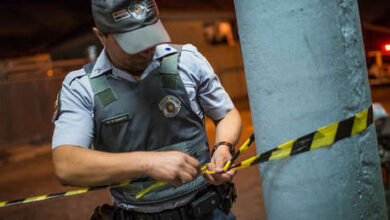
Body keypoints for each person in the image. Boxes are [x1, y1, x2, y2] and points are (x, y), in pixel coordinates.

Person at [51, 0, 242, 219]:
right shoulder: (82, 87)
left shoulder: (187, 62)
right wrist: (147, 162)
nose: (145, 49)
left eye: (149, 35)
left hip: (207, 211)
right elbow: (66, 165)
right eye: (132, 41)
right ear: (101, 35)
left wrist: (223, 148)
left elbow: (226, 114)